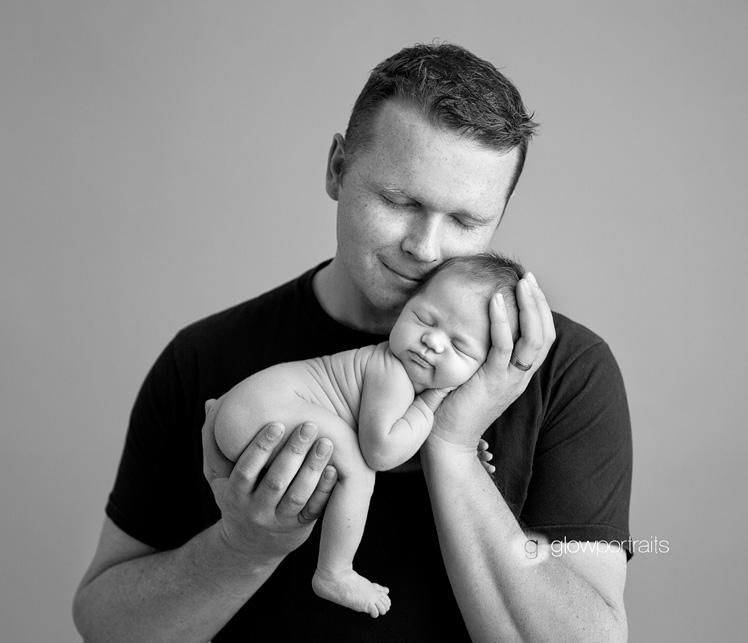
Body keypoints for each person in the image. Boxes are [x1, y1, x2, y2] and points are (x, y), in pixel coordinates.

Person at [73, 42, 633, 642]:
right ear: (338, 168)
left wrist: (453, 446)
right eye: (398, 201)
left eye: (467, 222)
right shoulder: (203, 356)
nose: (426, 247)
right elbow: (105, 625)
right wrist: (242, 548)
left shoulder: (566, 371)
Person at [211, 254, 522, 618]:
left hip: (251, 410)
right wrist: (431, 406)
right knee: (359, 470)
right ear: (403, 309)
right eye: (424, 318)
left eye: (459, 345)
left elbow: (384, 442)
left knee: (349, 453)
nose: (433, 340)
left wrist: (443, 447)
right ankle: (334, 572)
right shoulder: (391, 372)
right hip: (261, 410)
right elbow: (382, 453)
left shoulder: (399, 377)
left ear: (485, 366)